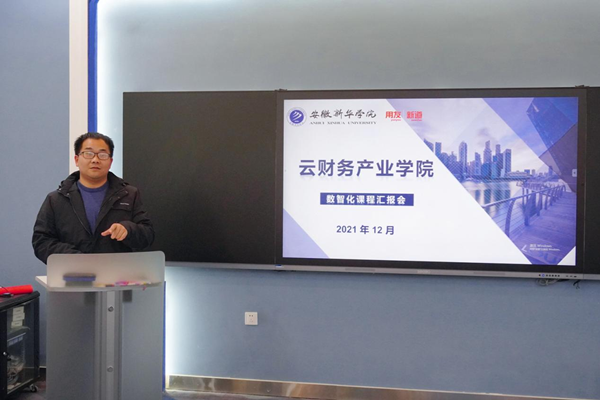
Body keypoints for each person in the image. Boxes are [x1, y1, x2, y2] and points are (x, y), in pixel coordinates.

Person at [32, 132, 154, 264]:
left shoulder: (129, 194)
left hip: (117, 273)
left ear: (110, 161)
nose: (95, 160)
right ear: (76, 159)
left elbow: (148, 235)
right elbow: (41, 241)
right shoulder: (56, 199)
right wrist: (75, 258)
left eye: (102, 154)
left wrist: (128, 230)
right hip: (73, 273)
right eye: (88, 153)